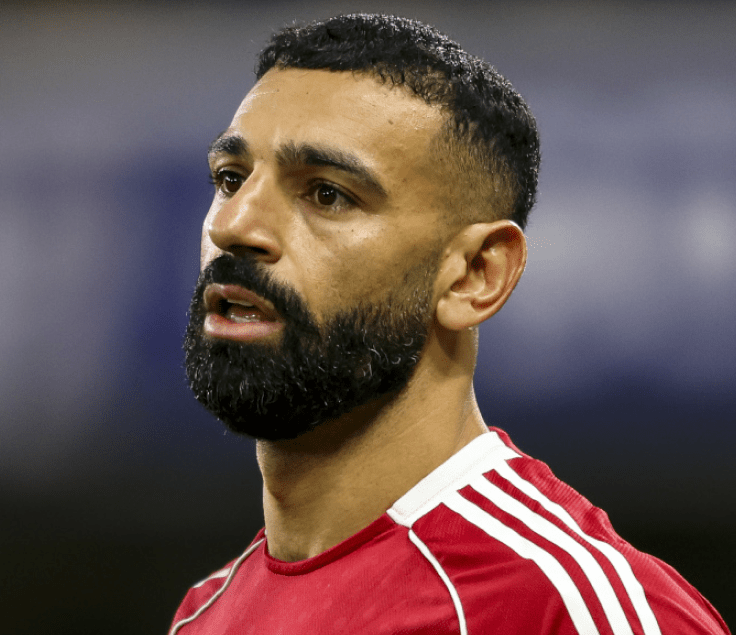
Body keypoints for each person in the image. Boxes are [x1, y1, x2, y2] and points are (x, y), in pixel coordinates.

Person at [171, 13, 729, 635]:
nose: (234, 226)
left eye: (327, 193)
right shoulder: (204, 615)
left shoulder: (561, 607)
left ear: (475, 275)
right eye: (231, 179)